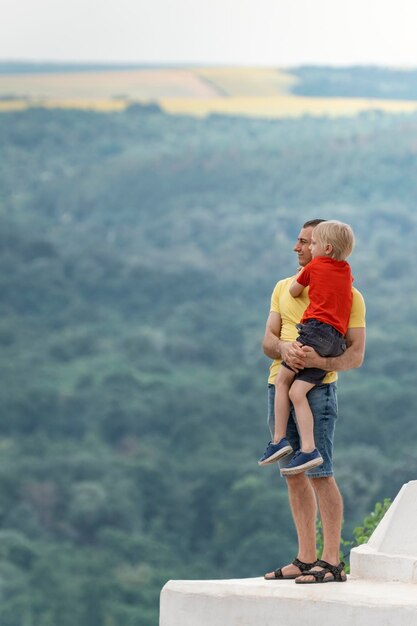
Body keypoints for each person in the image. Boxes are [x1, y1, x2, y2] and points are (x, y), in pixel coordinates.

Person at [262, 219, 365, 584]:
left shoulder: (350, 295)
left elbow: (355, 356)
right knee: (293, 475)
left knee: (321, 474)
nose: (297, 248)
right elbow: (268, 341)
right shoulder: (282, 287)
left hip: (318, 389)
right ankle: (306, 558)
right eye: (299, 241)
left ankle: (332, 560)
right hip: (279, 384)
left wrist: (314, 361)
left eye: (305, 242)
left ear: (322, 247)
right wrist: (285, 349)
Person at [258, 221, 355, 475]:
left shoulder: (314, 267)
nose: (305, 247)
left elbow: (294, 289)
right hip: (333, 342)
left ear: (326, 247)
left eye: (311, 243)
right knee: (296, 392)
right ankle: (309, 449)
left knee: (283, 383)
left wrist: (306, 277)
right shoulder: (346, 272)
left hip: (313, 332)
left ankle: (278, 440)